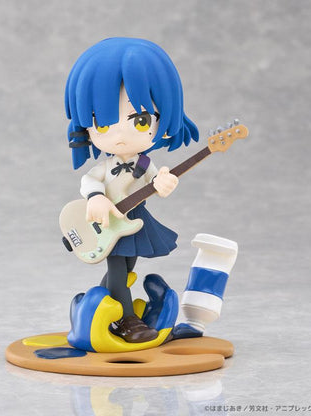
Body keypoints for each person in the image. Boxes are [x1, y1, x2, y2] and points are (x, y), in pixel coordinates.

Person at [65, 37, 199, 342]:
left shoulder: (145, 163)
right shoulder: (105, 166)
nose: (120, 136)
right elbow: (90, 180)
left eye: (140, 121)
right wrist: (96, 198)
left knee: (125, 271)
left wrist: (164, 183)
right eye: (102, 124)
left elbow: (156, 184)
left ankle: (98, 308)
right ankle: (127, 321)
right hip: (107, 223)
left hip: (133, 221)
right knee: (117, 271)